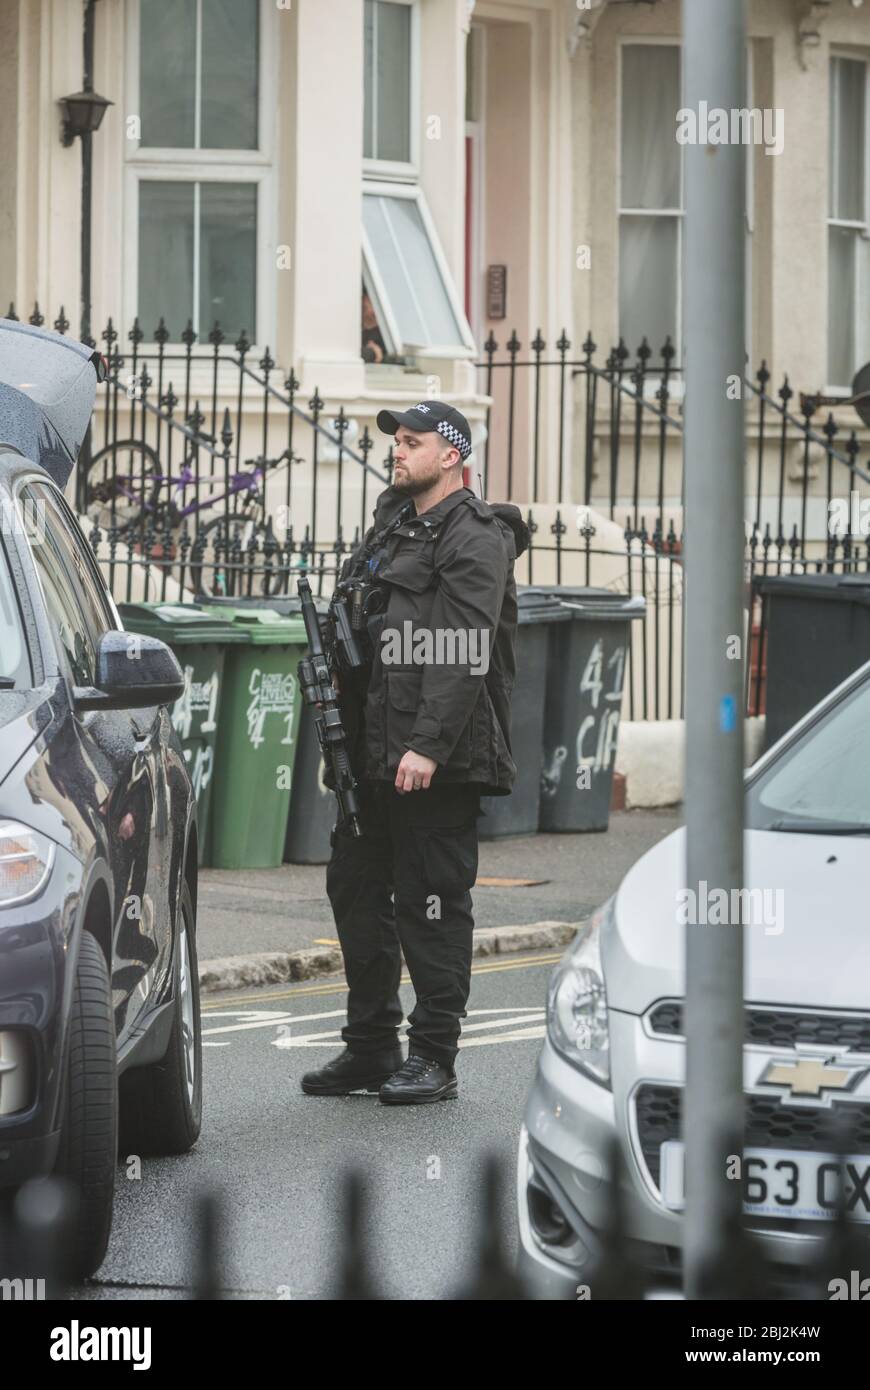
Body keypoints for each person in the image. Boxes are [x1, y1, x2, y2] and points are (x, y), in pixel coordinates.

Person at [300, 401, 529, 1105]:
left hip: (440, 756)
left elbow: (462, 650)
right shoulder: (392, 524)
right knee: (357, 889)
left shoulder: (475, 537)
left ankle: (434, 1057)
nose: (398, 452)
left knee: (430, 901)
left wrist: (427, 745)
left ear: (452, 454)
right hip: (372, 747)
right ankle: (370, 1047)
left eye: (412, 442)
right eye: (396, 441)